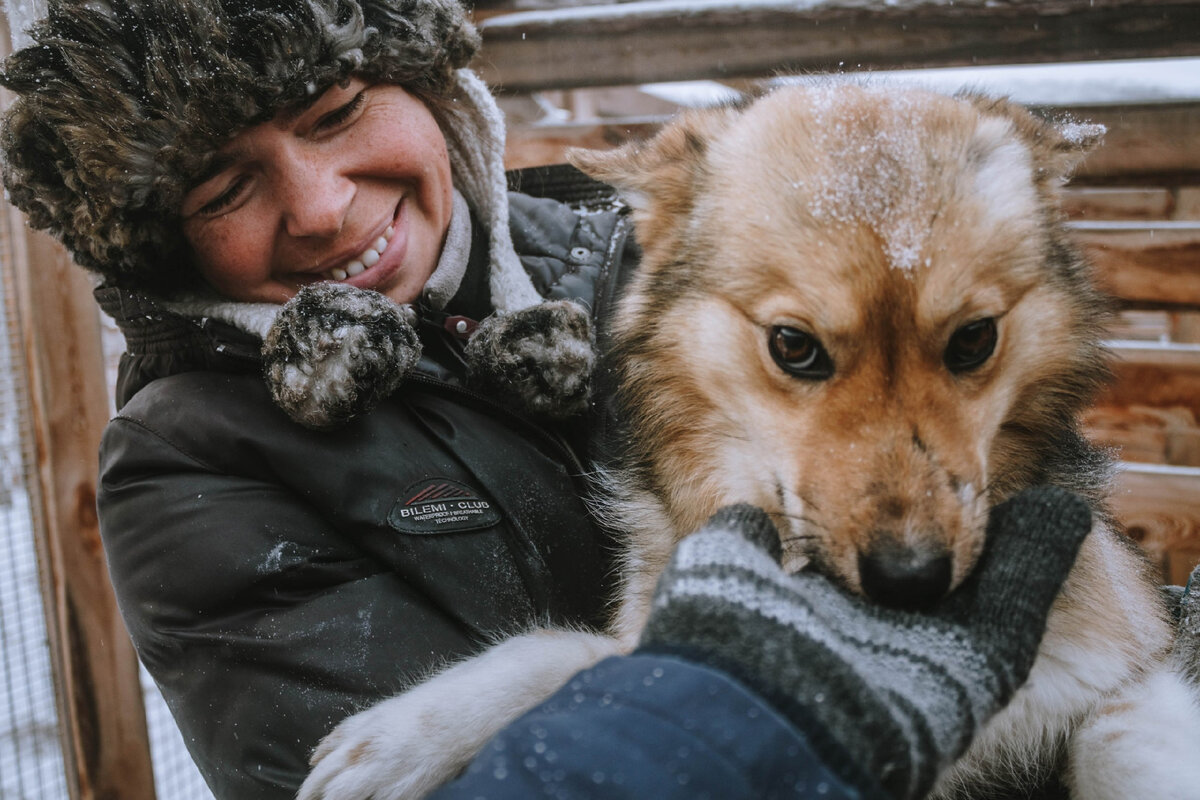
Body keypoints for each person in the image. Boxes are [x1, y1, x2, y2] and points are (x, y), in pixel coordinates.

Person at [2, 1, 635, 797]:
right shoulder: (186, 465)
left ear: (426, 81)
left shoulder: (672, 257)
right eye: (226, 190)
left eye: (336, 113)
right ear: (167, 245)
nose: (322, 208)